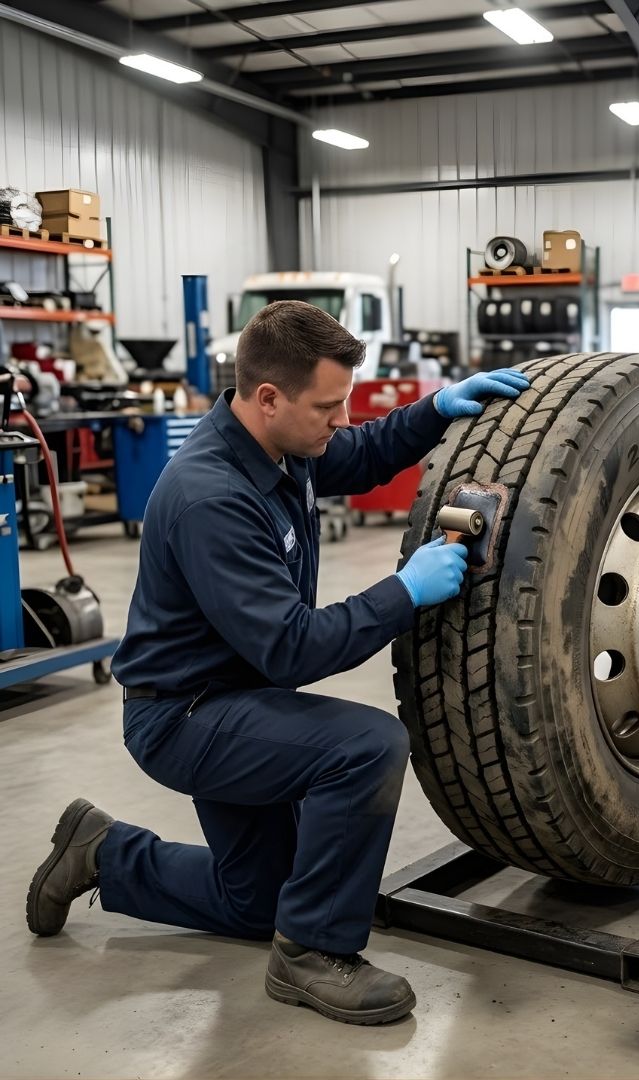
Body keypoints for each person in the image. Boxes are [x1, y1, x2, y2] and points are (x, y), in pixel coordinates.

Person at [25, 300, 529, 1026]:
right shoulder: (212, 497)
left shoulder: (277, 447)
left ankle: (102, 853)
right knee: (367, 746)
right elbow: (291, 646)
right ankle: (314, 955)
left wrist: (435, 410)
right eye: (328, 406)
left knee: (257, 901)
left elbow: (356, 455)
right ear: (268, 398)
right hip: (185, 717)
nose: (339, 420)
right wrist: (402, 593)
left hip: (236, 699)